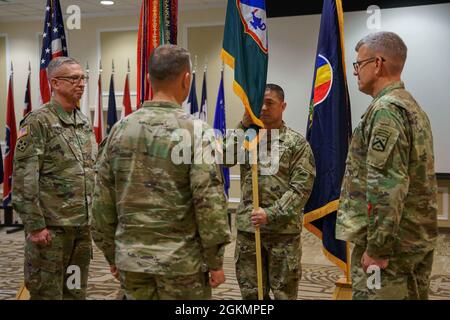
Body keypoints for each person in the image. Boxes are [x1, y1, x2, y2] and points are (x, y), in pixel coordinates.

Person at [91, 44, 231, 300]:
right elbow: (209, 203)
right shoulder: (197, 132)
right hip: (181, 264)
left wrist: (112, 253)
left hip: (131, 261)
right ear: (186, 79)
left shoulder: (119, 130)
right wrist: (215, 261)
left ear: (148, 79)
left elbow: (101, 202)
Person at [336, 31, 438, 300]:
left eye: (358, 64)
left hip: (390, 249)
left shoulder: (386, 111)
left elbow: (386, 187)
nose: (355, 72)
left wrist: (378, 248)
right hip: (410, 239)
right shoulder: (410, 106)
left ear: (378, 64)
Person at [12, 57, 96, 300]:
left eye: (83, 78)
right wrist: (35, 226)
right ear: (55, 83)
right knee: (47, 294)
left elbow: (90, 171)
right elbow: (25, 177)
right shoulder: (38, 121)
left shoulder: (82, 122)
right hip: (51, 230)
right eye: (74, 78)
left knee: (75, 292)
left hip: (81, 227)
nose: (81, 83)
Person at [225, 84, 316, 300]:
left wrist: (271, 213)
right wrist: (243, 125)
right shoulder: (248, 138)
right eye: (260, 103)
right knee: (252, 295)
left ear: (283, 106)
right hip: (250, 231)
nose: (264, 108)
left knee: (284, 294)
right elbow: (224, 159)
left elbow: (301, 188)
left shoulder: (296, 144)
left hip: (282, 234)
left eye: (270, 103)